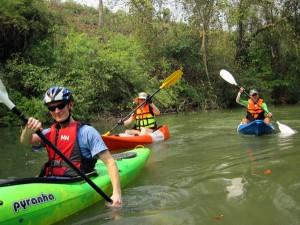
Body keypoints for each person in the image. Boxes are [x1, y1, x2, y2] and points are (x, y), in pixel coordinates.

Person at [20, 86, 122, 207]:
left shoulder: (87, 132)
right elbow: (26, 141)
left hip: (76, 183)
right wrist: (28, 128)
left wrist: (117, 193)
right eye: (52, 108)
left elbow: (110, 162)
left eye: (61, 105)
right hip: (49, 181)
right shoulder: (49, 133)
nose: (57, 111)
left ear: (70, 105)